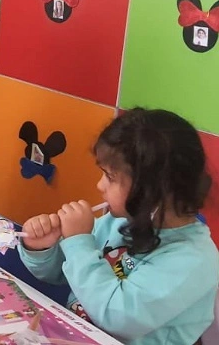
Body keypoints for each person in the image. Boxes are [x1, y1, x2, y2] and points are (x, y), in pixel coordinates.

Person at [19, 108, 219, 345]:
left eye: (110, 177)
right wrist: (42, 248)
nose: (100, 185)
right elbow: (66, 272)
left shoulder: (193, 259)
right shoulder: (119, 222)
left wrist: (78, 243)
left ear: (152, 190)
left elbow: (117, 318)